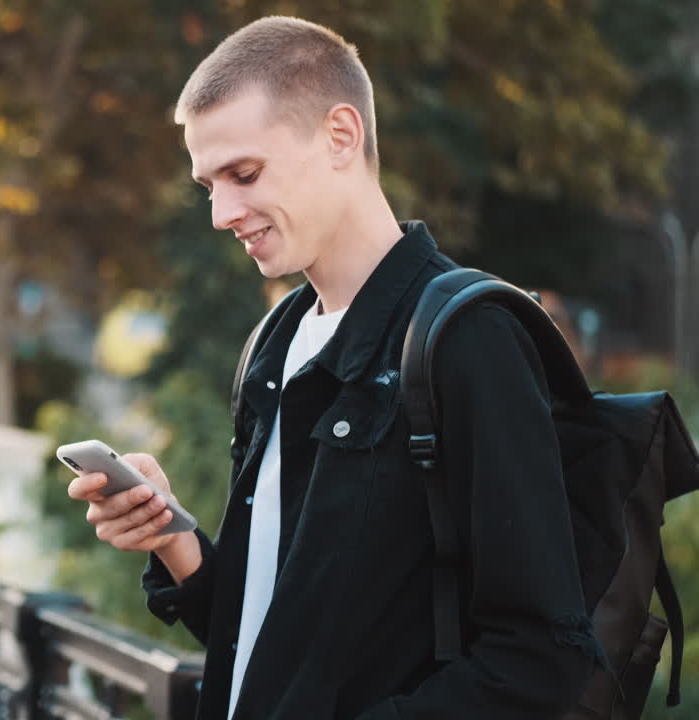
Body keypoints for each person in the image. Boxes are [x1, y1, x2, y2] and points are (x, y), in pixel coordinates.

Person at [66, 16, 598, 720]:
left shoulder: (469, 337)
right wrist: (172, 538)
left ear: (341, 135)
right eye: (208, 185)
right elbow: (271, 641)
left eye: (244, 174)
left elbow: (541, 659)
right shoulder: (275, 342)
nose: (221, 212)